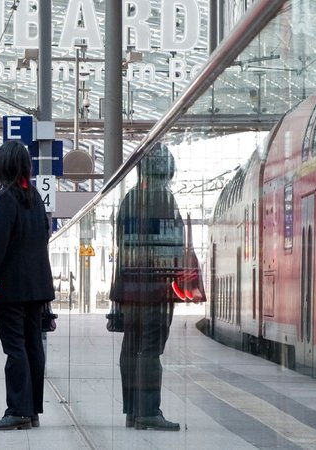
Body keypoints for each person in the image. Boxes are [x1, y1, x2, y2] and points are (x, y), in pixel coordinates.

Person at [0, 140, 55, 431]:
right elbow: (42, 237)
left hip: (12, 289)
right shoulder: (34, 199)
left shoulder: (6, 199)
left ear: (2, 167)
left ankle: (17, 409)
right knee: (33, 346)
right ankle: (31, 411)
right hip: (36, 287)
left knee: (15, 347)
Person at [110, 143, 185, 431]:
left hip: (129, 288)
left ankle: (133, 410)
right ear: (166, 170)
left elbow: (122, 243)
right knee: (150, 349)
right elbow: (173, 246)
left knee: (132, 346)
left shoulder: (130, 198)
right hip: (154, 289)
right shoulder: (164, 199)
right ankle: (149, 411)